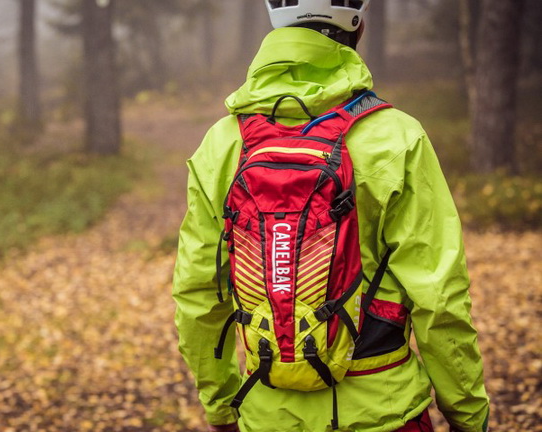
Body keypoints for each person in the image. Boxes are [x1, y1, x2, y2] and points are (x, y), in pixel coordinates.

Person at [172, 1, 490, 431]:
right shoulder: (396, 137)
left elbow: (200, 293)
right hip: (384, 410)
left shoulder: (222, 144)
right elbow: (439, 297)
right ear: (357, 27)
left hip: (268, 414)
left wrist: (221, 406)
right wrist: (468, 414)